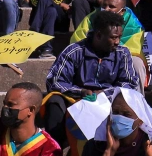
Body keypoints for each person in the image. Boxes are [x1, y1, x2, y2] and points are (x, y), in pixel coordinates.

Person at [43, 10, 139, 147]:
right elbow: (54, 81)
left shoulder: (123, 53)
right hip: (76, 100)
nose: (118, 42)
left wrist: (105, 93)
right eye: (113, 38)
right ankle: (55, 148)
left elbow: (129, 83)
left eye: (119, 37)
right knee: (54, 101)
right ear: (98, 35)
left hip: (110, 101)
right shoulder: (74, 51)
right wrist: (81, 92)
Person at [71, 0, 148, 92]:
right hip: (93, 55)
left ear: (122, 11)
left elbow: (133, 48)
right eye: (104, 5)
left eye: (111, 7)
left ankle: (135, 99)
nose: (106, 9)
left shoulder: (134, 24)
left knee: (137, 63)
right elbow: (78, 40)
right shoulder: (91, 18)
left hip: (120, 57)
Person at [81, 88, 152, 156]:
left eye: (126, 114)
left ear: (140, 120)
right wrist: (109, 152)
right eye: (115, 112)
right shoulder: (94, 147)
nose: (120, 118)